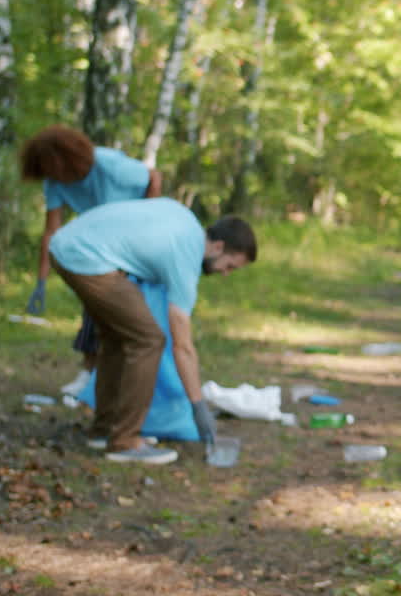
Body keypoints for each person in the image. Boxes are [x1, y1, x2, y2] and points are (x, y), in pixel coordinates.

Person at [49, 197, 256, 464]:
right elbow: (182, 346)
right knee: (149, 340)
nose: (226, 274)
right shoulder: (187, 255)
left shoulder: (186, 222)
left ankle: (104, 430)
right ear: (218, 246)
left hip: (69, 245)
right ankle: (125, 442)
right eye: (229, 266)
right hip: (85, 257)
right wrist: (198, 406)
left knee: (117, 338)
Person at [19, 125, 162, 396]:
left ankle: (128, 378)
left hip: (132, 239)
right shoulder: (55, 182)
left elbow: (154, 177)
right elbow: (52, 230)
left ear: (66, 158)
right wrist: (41, 280)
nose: (51, 175)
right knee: (95, 306)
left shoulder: (109, 166)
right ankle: (88, 373)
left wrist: (147, 221)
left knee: (133, 315)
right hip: (100, 246)